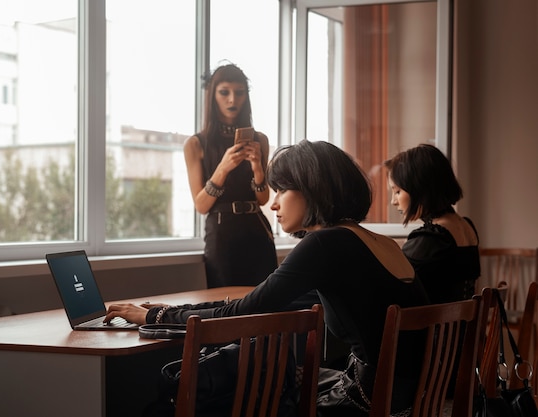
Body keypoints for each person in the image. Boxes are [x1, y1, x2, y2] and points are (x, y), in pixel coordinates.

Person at [106, 140, 430, 417]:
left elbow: (244, 312)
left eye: (282, 190)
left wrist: (155, 315)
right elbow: (258, 301)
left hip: (365, 401)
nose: (273, 203)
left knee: (237, 391)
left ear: (312, 189)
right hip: (410, 397)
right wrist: (173, 311)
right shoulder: (374, 242)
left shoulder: (325, 243)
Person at [183, 63, 278, 288]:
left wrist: (257, 167)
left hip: (257, 229)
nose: (232, 100)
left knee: (266, 303)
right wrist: (223, 168)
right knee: (224, 306)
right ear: (213, 96)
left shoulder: (260, 140)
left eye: (239, 92)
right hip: (221, 233)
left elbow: (263, 200)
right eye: (224, 92)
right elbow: (201, 205)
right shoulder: (195, 144)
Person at [384, 144, 481, 304]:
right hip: (461, 327)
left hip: (433, 328)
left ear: (419, 188)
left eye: (397, 191)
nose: (394, 201)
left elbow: (393, 286)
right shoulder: (466, 226)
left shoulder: (433, 238)